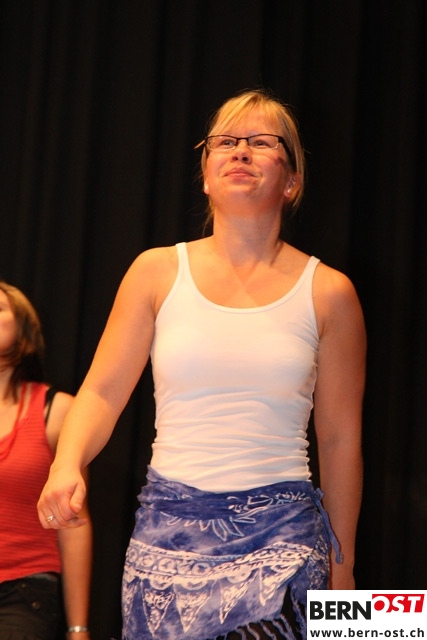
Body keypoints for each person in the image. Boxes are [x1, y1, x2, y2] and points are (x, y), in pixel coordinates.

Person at [37, 89, 366, 640]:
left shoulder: (330, 292)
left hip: (282, 534)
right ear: (207, 176)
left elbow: (339, 439)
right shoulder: (155, 272)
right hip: (167, 530)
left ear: (292, 181)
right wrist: (66, 463)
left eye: (262, 142)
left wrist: (344, 565)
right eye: (225, 141)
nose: (241, 151)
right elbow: (100, 393)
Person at [0, 281, 92, 639]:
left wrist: (78, 628)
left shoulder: (57, 410)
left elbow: (74, 521)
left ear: (24, 330)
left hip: (23, 593)